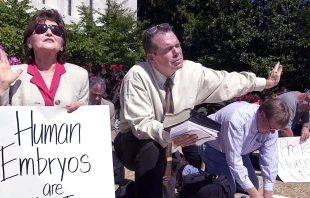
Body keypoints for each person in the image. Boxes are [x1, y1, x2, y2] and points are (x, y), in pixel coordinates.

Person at [113, 23, 283, 198]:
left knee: (167, 190)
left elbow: (226, 82)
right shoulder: (138, 75)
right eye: (168, 49)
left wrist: (265, 83)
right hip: (133, 142)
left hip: (169, 144)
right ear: (152, 58)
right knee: (152, 148)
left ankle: (129, 191)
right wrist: (170, 135)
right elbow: (142, 126)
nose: (177, 52)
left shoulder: (191, 71)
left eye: (177, 45)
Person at [181, 99, 290, 198]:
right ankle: (188, 171)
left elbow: (270, 159)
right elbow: (234, 161)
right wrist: (255, 195)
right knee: (227, 190)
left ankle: (222, 178)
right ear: (262, 115)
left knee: (253, 185)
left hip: (240, 152)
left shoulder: (271, 127)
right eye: (271, 128)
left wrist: (267, 193)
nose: (272, 133)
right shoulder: (236, 120)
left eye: (275, 130)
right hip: (213, 147)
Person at [0, 9, 88, 111]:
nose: (49, 33)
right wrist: (2, 87)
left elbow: (85, 119)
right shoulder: (11, 74)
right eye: (41, 29)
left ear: (62, 45)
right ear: (29, 42)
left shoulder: (80, 76)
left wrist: (84, 112)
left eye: (56, 30)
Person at [88, 76, 125, 184]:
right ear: (88, 90)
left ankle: (116, 181)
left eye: (100, 95)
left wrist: (109, 141)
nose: (96, 98)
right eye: (94, 94)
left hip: (101, 145)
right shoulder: (79, 104)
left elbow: (112, 128)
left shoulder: (109, 106)